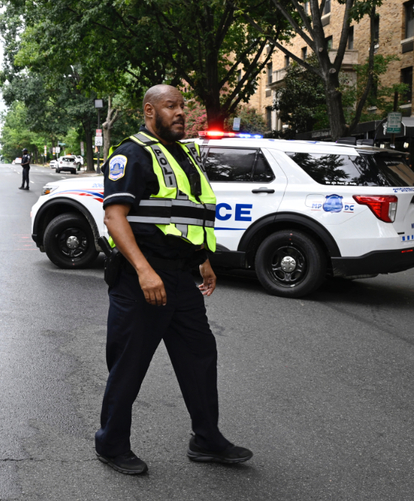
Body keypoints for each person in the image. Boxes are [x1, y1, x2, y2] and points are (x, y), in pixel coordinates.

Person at [94, 84, 252, 475]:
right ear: (150, 111)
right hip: (141, 279)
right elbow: (115, 218)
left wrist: (203, 260)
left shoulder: (184, 155)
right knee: (129, 366)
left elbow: (188, 215)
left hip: (182, 279)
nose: (181, 112)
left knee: (199, 359)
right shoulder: (132, 153)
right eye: (171, 106)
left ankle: (206, 438)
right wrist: (145, 271)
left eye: (183, 106)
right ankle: (111, 443)